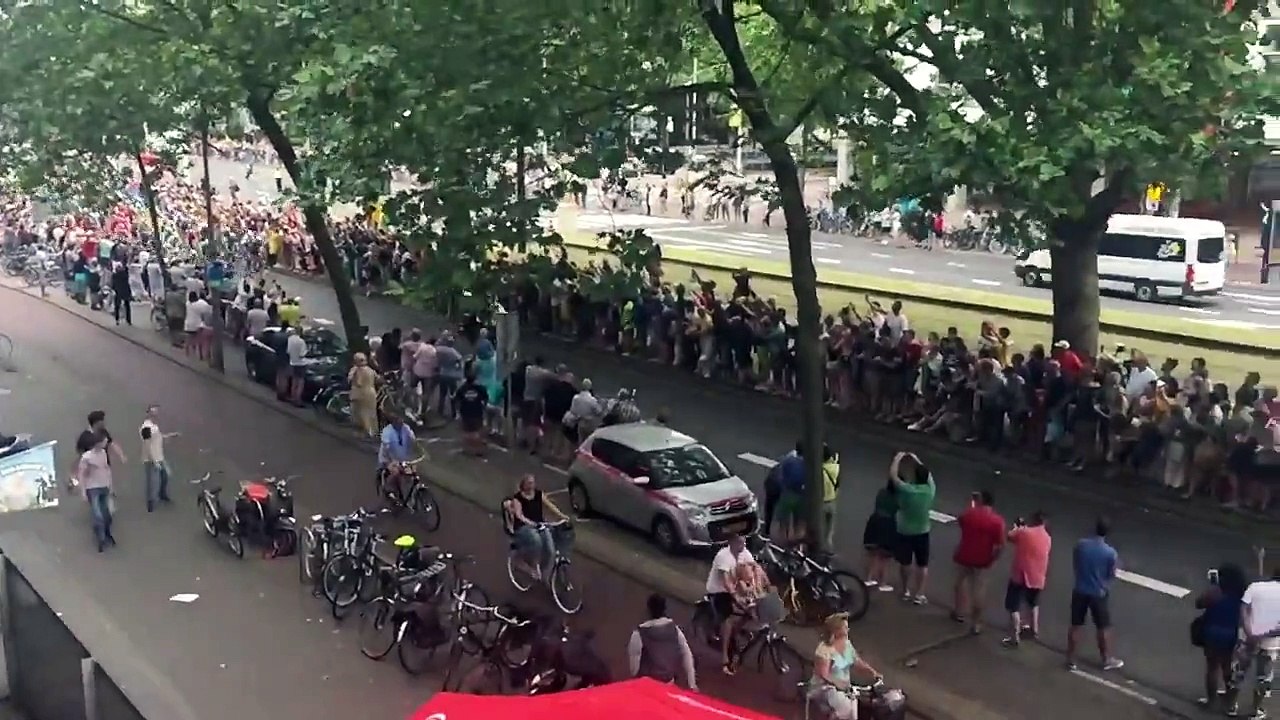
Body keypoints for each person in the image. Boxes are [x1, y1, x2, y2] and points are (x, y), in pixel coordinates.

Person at [1227, 548, 1280, 719]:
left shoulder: (1255, 587)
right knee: (1263, 678)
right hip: (1269, 645)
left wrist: (1250, 633)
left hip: (1245, 640)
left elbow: (1244, 608)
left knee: (1238, 672)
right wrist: (1261, 636)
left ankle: (1231, 706)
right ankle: (1255, 710)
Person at [1066, 517, 1123, 671]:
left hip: (1080, 590)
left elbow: (1075, 562)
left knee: (1076, 625)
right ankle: (1106, 659)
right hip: (1098, 593)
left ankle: (1070, 658)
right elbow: (1111, 574)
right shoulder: (1110, 553)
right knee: (1102, 627)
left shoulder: (1081, 545)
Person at [704, 533, 761, 675]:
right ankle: (725, 656)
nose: (743, 546)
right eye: (740, 543)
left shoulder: (744, 553)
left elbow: (754, 571)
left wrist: (757, 589)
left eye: (744, 543)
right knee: (728, 618)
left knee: (752, 610)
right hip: (719, 591)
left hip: (735, 588)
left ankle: (736, 631)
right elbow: (726, 582)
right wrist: (737, 597)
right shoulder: (724, 557)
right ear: (731, 542)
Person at [951, 489, 1006, 634]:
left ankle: (959, 611)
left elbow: (961, 521)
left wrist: (972, 504)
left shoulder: (969, 514)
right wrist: (992, 559)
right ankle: (975, 623)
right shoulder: (997, 521)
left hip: (964, 555)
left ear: (979, 500)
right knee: (978, 590)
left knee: (960, 583)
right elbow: (1000, 545)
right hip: (983, 560)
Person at [808, 613, 882, 720]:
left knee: (853, 708)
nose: (848, 630)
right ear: (835, 631)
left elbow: (856, 661)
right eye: (845, 628)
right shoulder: (824, 649)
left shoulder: (846, 644)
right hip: (825, 689)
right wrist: (839, 685)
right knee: (843, 709)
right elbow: (824, 674)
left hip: (844, 689)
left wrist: (872, 672)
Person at [1195, 563, 1246, 710]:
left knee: (1212, 668)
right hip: (1232, 634)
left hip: (1213, 632)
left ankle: (1211, 701)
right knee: (1228, 667)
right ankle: (1230, 701)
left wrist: (1212, 586)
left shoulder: (1215, 592)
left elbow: (1199, 603)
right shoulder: (1241, 594)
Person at [503, 474, 571, 580]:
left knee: (551, 548)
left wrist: (562, 516)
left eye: (533, 482)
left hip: (539, 525)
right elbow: (519, 515)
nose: (532, 485)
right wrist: (531, 523)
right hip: (523, 527)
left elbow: (550, 505)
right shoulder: (518, 498)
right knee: (536, 541)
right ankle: (529, 564)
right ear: (523, 485)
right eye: (529, 483)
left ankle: (546, 575)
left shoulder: (539, 494)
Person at [890, 451, 935, 605]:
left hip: (905, 530)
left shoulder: (908, 490)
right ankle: (920, 593)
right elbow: (928, 476)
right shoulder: (930, 491)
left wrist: (897, 459)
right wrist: (916, 459)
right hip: (923, 531)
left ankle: (905, 589)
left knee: (905, 563)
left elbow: (894, 478)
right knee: (922, 564)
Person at [1002, 511, 1052, 648]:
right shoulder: (1048, 538)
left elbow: (1010, 536)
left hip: (1020, 575)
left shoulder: (1024, 532)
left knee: (1013, 605)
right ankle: (1033, 629)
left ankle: (1014, 637)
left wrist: (1017, 528)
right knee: (1033, 602)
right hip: (1037, 577)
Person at [628, 593, 697, 690]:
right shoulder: (674, 629)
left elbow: (634, 668)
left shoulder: (639, 633)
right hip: (668, 683)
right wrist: (691, 683)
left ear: (648, 609)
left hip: (646, 686)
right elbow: (686, 653)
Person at [74, 431, 116, 552]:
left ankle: (107, 534)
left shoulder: (103, 453)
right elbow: (81, 474)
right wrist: (83, 492)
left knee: (107, 515)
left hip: (104, 486)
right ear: (98, 443)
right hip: (92, 488)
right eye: (104, 441)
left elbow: (107, 469)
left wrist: (111, 485)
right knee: (98, 515)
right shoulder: (86, 457)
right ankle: (101, 539)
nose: (106, 443)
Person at [861, 477, 898, 593]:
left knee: (873, 554)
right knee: (885, 557)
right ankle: (882, 583)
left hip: (875, 521)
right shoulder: (897, 498)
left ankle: (868, 578)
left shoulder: (881, 492)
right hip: (888, 525)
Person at [138, 405, 178, 512]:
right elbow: (147, 445)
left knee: (165, 476)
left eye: (157, 412)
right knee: (152, 481)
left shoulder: (154, 426)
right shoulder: (146, 428)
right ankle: (150, 502)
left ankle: (162, 494)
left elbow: (158, 437)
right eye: (153, 412)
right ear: (148, 413)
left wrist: (170, 436)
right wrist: (154, 460)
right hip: (151, 459)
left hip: (160, 456)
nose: (156, 415)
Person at [377, 415, 418, 501]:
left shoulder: (406, 429)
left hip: (401, 457)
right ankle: (388, 488)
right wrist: (393, 462)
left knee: (412, 471)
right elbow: (388, 449)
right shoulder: (387, 432)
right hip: (388, 458)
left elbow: (414, 442)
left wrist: (420, 453)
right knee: (396, 472)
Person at [454, 366, 488, 455]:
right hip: (477, 412)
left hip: (465, 412)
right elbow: (485, 399)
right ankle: (478, 450)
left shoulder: (462, 388)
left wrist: (458, 412)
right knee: (478, 431)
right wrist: (483, 407)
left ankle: (466, 449)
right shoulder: (480, 388)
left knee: (466, 431)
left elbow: (457, 400)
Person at [776, 444, 806, 542]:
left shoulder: (788, 460)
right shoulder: (807, 463)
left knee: (784, 521)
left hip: (787, 493)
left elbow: (781, 475)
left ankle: (783, 542)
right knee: (799, 522)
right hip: (801, 495)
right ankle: (797, 545)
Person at [348, 352, 379, 438]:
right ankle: (372, 432)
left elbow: (352, 380)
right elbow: (378, 379)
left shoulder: (355, 370)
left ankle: (362, 433)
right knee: (371, 413)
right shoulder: (370, 370)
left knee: (358, 414)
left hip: (358, 394)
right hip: (371, 393)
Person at [821, 445, 841, 549]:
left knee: (818, 526)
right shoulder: (836, 468)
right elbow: (838, 484)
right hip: (832, 501)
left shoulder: (819, 470)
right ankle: (829, 543)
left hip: (820, 503)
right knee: (830, 527)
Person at [285, 326, 308, 406]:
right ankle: (298, 399)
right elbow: (302, 354)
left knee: (294, 381)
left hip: (292, 362)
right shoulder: (302, 342)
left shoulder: (290, 339)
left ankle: (293, 396)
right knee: (300, 382)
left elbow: (288, 351)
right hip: (301, 364)